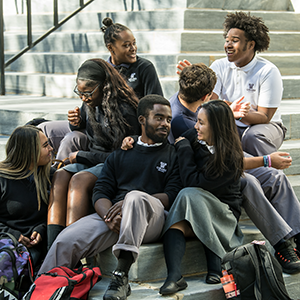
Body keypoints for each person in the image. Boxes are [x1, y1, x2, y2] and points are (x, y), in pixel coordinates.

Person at [37, 95, 182, 300]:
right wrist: (108, 215)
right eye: (158, 118)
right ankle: (40, 289)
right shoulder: (121, 154)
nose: (165, 124)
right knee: (66, 240)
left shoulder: (174, 155)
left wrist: (129, 203)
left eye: (168, 119)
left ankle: (121, 275)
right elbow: (101, 191)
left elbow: (172, 194)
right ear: (142, 120)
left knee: (134, 198)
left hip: (152, 219)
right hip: (114, 218)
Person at [170, 62, 300, 275]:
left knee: (274, 177)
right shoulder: (182, 123)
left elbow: (226, 154)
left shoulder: (194, 108)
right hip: (205, 178)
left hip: (219, 165)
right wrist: (265, 160)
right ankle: (282, 244)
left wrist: (225, 112)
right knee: (248, 181)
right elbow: (226, 163)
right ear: (207, 96)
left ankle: (295, 236)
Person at [47, 58, 140, 250]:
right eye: (79, 93)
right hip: (93, 159)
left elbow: (122, 156)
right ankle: (52, 246)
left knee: (79, 181)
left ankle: (74, 250)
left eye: (88, 93)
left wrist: (81, 156)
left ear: (104, 86)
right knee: (60, 175)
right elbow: (87, 129)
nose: (83, 98)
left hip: (114, 164)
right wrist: (75, 122)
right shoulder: (90, 102)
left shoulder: (126, 110)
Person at [38, 17, 163, 158]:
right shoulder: (100, 69)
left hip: (122, 133)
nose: (133, 48)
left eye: (134, 43)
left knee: (71, 139)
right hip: (96, 129)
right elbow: (87, 112)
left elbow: (156, 105)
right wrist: (76, 121)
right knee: (42, 129)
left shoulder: (144, 68)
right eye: (126, 45)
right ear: (110, 48)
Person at [159, 100, 244, 294]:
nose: (195, 127)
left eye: (201, 123)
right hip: (194, 211)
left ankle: (216, 259)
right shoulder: (195, 137)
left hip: (223, 217)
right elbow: (173, 151)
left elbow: (194, 183)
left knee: (188, 193)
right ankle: (174, 277)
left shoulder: (230, 158)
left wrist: (186, 150)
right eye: (197, 121)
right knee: (177, 220)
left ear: (217, 127)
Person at [177, 11, 286, 156]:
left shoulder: (268, 71)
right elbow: (210, 102)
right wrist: (194, 79)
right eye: (227, 40)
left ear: (251, 44)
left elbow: (264, 117)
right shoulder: (219, 66)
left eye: (234, 41)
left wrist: (237, 114)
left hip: (265, 126)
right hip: (231, 121)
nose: (228, 45)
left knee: (252, 137)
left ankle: (268, 174)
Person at [0, 125, 53, 271]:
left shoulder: (51, 178)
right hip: (4, 241)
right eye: (45, 145)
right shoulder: (2, 178)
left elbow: (52, 217)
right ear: (30, 153)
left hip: (30, 251)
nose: (51, 149)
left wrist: (41, 230)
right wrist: (14, 234)